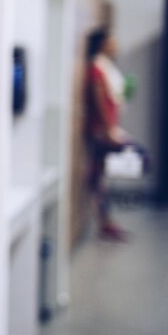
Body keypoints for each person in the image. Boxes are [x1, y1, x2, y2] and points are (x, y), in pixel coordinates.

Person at [85, 25, 134, 241]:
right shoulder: (96, 67)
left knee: (100, 176)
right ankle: (105, 221)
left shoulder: (105, 66)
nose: (116, 45)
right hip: (101, 130)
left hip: (107, 127)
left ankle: (107, 221)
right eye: (112, 40)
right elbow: (99, 101)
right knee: (98, 177)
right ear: (103, 43)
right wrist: (108, 129)